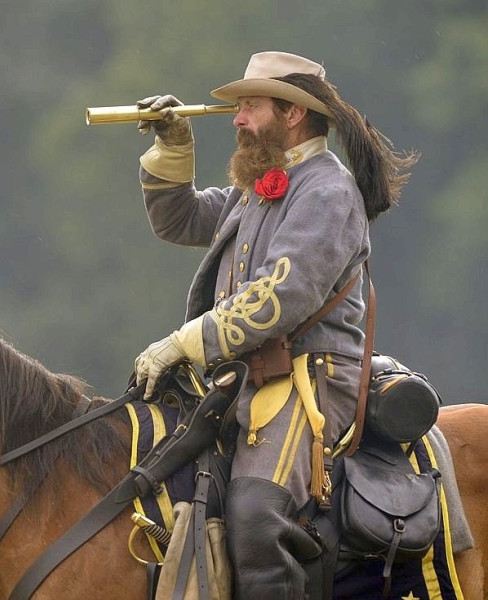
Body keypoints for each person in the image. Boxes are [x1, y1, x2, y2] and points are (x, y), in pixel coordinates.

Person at [132, 51, 417, 598]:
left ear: (292, 115)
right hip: (247, 381)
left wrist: (184, 342)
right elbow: (181, 219)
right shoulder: (260, 186)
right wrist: (173, 146)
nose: (237, 120)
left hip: (313, 382)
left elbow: (278, 296)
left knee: (257, 518)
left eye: (250, 107)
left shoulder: (327, 190)